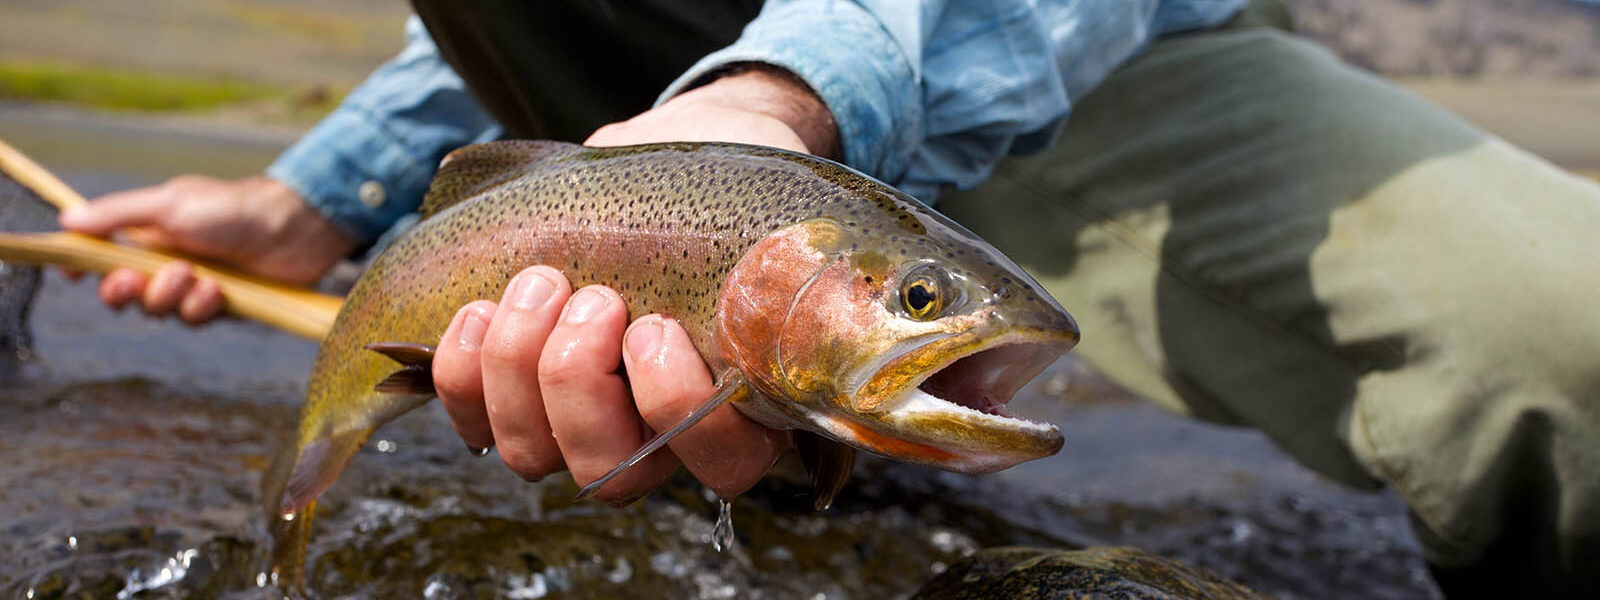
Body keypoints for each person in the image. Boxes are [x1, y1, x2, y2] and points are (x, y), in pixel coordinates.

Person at [58, 0, 1600, 596]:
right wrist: (311, 198)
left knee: (1575, 344)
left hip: (1096, 66)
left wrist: (778, 95)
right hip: (709, 158)